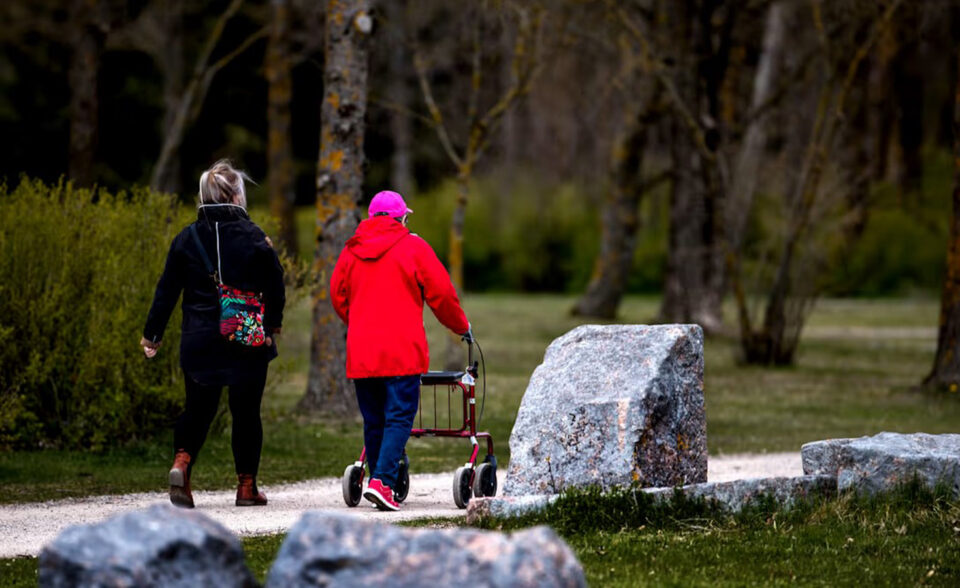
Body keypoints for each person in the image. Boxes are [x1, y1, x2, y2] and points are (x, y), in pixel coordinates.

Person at [140, 160, 285, 509]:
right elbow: (275, 283)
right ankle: (246, 487)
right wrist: (271, 326)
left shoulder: (186, 238)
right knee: (246, 412)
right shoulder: (254, 237)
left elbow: (166, 290)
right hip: (245, 339)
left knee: (198, 408)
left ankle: (182, 463)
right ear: (236, 194)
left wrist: (152, 335)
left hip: (199, 338)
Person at [330, 190, 471, 511]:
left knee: (374, 419)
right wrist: (461, 327)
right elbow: (442, 295)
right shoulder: (414, 247)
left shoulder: (351, 250)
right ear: (400, 217)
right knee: (398, 417)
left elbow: (337, 295)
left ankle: (381, 478)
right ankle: (383, 482)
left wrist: (359, 322)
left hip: (362, 351)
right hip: (401, 351)